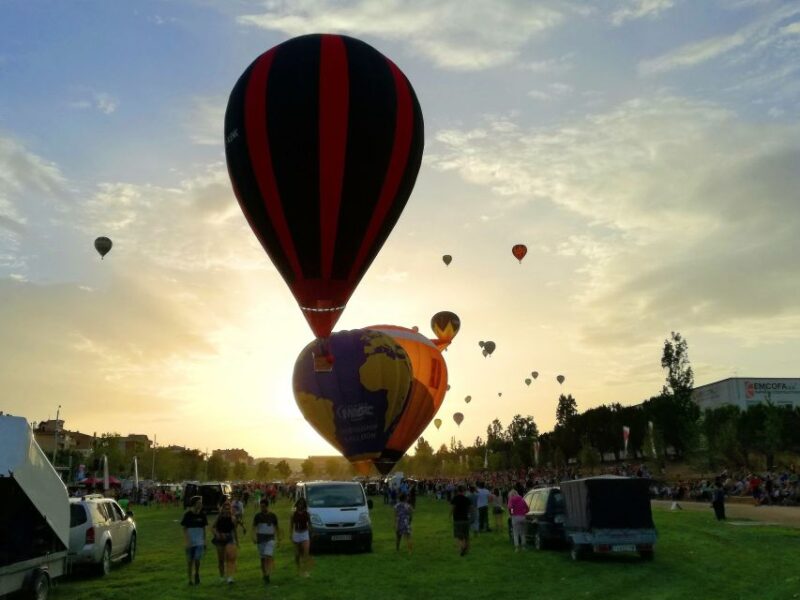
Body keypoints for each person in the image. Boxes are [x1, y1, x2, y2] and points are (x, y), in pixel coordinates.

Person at [180, 496, 207, 586]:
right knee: (190, 561)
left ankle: (197, 574)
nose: (201, 504)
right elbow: (184, 528)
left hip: (199, 541)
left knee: (197, 559)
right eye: (199, 502)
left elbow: (204, 528)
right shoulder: (188, 514)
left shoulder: (202, 515)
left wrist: (204, 540)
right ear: (194, 504)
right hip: (190, 542)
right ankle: (190, 580)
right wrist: (187, 540)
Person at [252, 498, 280, 584]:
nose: (262, 508)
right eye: (261, 507)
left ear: (267, 506)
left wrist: (279, 538)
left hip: (270, 539)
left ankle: (268, 573)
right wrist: (253, 537)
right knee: (263, 559)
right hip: (260, 540)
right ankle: (265, 574)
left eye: (263, 507)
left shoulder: (273, 516)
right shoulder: (257, 516)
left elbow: (276, 527)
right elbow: (253, 527)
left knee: (268, 556)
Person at [212, 501, 239, 584]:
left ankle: (230, 577)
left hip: (229, 539)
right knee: (221, 560)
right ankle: (221, 576)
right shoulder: (219, 517)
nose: (227, 510)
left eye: (228, 508)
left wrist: (237, 541)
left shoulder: (233, 518)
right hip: (220, 539)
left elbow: (234, 530)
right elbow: (212, 528)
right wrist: (217, 534)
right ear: (222, 509)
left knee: (230, 558)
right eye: (225, 508)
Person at [290, 497, 313, 578]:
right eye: (299, 504)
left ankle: (305, 571)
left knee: (306, 553)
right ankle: (299, 568)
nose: (300, 505)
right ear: (297, 504)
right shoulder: (293, 513)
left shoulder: (307, 513)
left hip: (305, 533)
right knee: (297, 554)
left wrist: (310, 532)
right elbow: (291, 524)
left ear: (304, 505)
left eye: (302, 504)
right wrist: (291, 534)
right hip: (296, 534)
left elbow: (309, 523)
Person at [450, 485, 473, 556]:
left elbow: (453, 508)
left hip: (457, 519)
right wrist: (469, 515)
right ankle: (467, 549)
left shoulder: (455, 498)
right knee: (466, 535)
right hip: (465, 519)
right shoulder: (466, 499)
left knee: (459, 536)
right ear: (464, 491)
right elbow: (471, 509)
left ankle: (462, 548)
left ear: (458, 490)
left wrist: (449, 515)